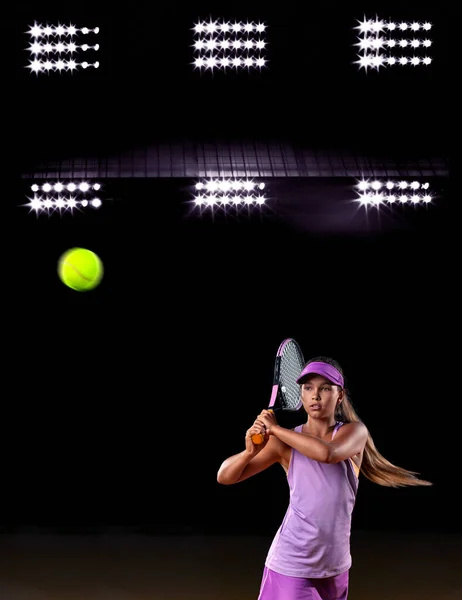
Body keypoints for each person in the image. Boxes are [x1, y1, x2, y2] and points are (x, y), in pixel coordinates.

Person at [216, 356, 432, 600]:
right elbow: (224, 476)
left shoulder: (353, 432)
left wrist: (276, 429)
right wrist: (248, 453)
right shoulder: (284, 443)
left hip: (336, 567)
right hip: (291, 563)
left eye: (325, 388)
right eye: (308, 388)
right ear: (301, 395)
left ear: (340, 395)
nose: (315, 395)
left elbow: (328, 453)